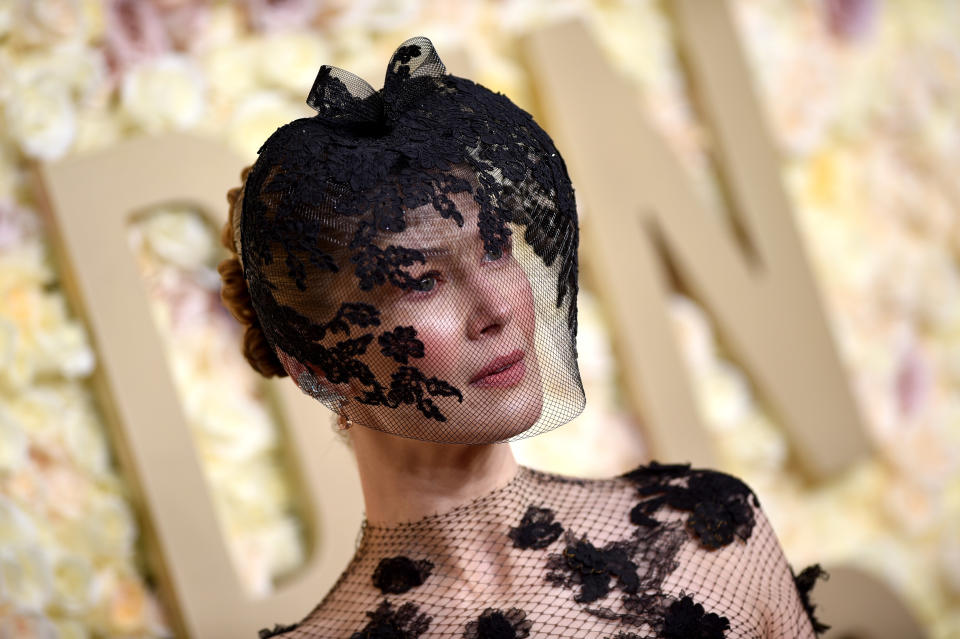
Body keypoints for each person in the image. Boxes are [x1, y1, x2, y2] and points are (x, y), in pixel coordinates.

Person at [218, 36, 828, 639]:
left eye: (495, 249)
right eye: (421, 280)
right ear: (313, 365)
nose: (497, 309)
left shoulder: (706, 530)